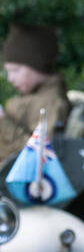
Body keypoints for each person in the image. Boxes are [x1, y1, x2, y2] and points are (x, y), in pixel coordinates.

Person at [0, 22, 70, 165]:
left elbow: (39, 156)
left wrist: (2, 121)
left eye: (16, 70)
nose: (10, 78)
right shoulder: (33, 98)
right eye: (8, 71)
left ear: (37, 66)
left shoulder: (51, 103)